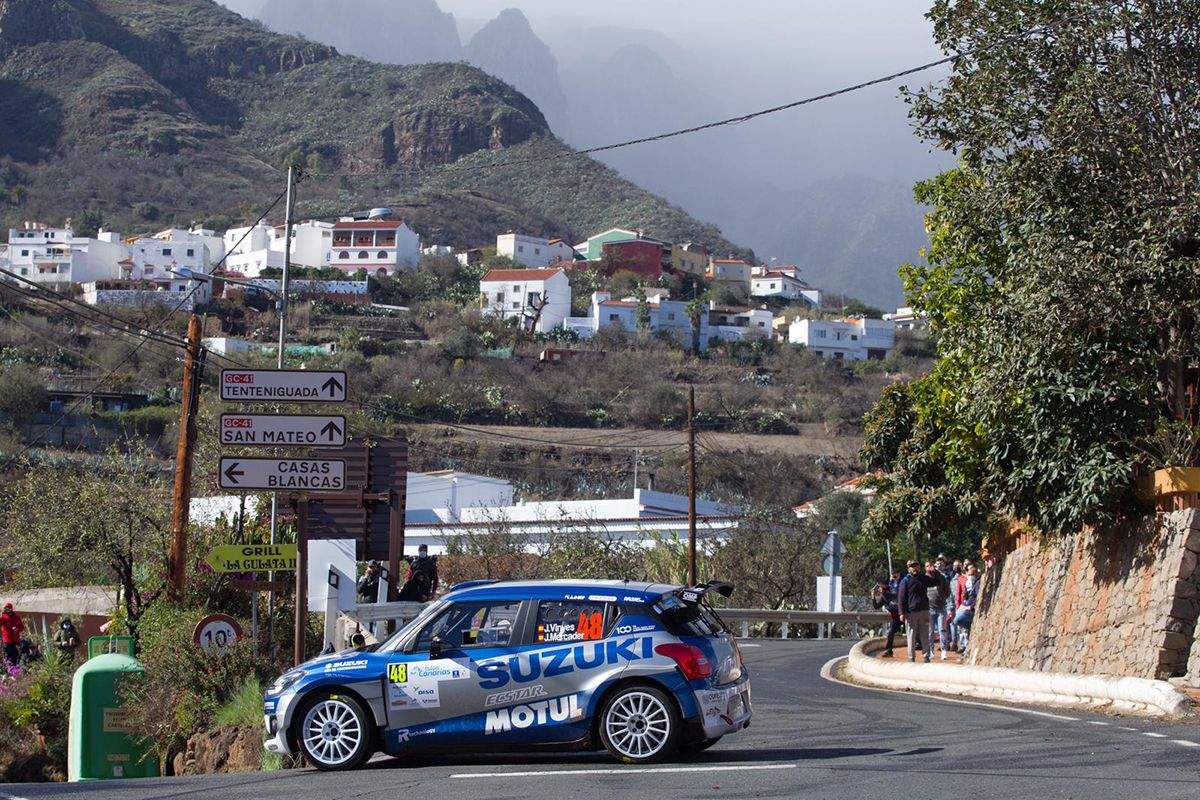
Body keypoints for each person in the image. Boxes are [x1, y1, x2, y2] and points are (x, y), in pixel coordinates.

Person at [897, 560, 940, 662]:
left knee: (925, 634)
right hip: (911, 613)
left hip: (924, 611)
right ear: (908, 568)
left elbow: (936, 581)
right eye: (912, 566)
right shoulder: (905, 581)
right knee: (911, 636)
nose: (914, 568)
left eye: (916, 566)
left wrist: (934, 571)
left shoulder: (923, 578)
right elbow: (901, 598)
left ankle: (926, 656)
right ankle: (911, 657)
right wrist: (901, 613)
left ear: (919, 567)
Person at [925, 560, 952, 660]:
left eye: (930, 565)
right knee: (930, 631)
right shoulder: (924, 578)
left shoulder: (941, 577)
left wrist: (943, 598)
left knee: (942, 629)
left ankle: (944, 650)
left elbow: (948, 591)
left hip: (941, 608)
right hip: (929, 608)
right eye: (927, 566)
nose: (929, 568)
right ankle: (931, 651)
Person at [954, 563, 981, 655]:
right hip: (966, 605)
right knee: (958, 623)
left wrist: (971, 606)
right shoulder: (967, 582)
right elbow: (963, 594)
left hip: (971, 608)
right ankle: (966, 648)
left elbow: (978, 597)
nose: (970, 575)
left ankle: (970, 627)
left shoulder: (978, 582)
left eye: (972, 573)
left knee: (958, 620)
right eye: (969, 573)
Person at [871, 582, 902, 657]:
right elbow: (876, 606)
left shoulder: (892, 594)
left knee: (914, 630)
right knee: (890, 633)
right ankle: (889, 650)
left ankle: (919, 643)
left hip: (904, 615)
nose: (878, 589)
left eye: (880, 588)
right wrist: (872, 596)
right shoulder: (883, 598)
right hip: (896, 618)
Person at [1, 603, 24, 668]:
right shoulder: (3, 617)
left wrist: (17, 629)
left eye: (8, 608)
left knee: (16, 656)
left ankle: (15, 671)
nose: (7, 610)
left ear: (11, 609)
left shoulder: (16, 617)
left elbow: (22, 627)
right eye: (5, 609)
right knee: (8, 656)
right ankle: (9, 671)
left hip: (16, 640)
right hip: (7, 640)